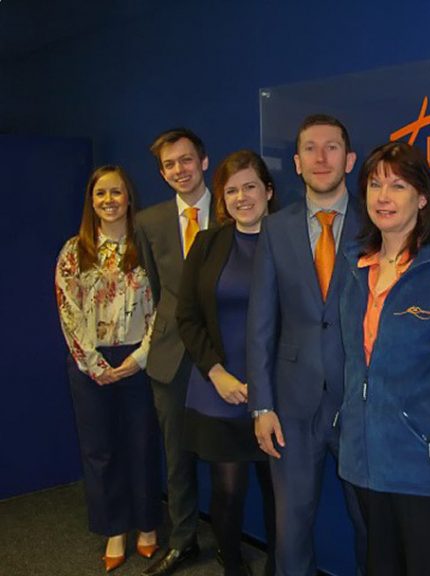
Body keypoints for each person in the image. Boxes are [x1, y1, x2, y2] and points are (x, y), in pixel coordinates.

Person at [247, 114, 366, 576]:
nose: (321, 157)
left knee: (369, 524)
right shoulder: (275, 230)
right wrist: (261, 406)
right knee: (291, 529)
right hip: (291, 408)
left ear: (349, 159)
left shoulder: (375, 221)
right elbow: (261, 321)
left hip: (358, 401)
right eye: (311, 149)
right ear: (295, 163)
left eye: (332, 147)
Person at [337, 142, 430, 575]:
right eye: (374, 185)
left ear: (423, 197)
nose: (383, 197)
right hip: (362, 457)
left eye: (398, 185)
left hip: (423, 463)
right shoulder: (355, 265)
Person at [176, 150, 277, 576]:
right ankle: (232, 563)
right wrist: (216, 373)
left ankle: (281, 565)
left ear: (268, 192)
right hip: (217, 388)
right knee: (228, 490)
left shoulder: (291, 240)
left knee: (279, 492)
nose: (241, 197)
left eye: (250, 186)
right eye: (231, 190)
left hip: (276, 390)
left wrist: (267, 386)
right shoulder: (207, 243)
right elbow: (187, 316)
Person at [55, 165, 161, 572]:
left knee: (141, 444)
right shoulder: (74, 251)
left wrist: (137, 360)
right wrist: (94, 364)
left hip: (139, 358)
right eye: (101, 194)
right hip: (90, 363)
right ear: (91, 201)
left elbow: (161, 306)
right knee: (100, 450)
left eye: (116, 192)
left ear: (129, 197)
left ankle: (148, 525)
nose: (109, 201)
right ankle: (115, 527)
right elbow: (68, 310)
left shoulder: (145, 245)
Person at [135, 128, 216, 576]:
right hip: (169, 357)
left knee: (227, 461)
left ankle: (226, 541)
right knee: (176, 456)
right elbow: (154, 285)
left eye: (186, 160)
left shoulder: (230, 211)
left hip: (221, 356)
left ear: (203, 162)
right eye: (169, 165)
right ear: (162, 173)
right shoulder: (149, 222)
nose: (179, 170)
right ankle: (183, 541)